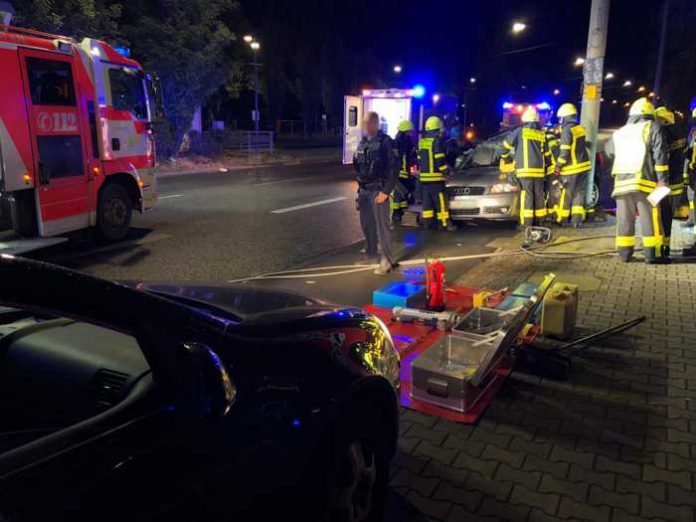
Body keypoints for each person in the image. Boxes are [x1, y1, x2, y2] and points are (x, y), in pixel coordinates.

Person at [605, 98, 669, 264]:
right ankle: (651, 255)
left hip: (621, 184)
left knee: (624, 221)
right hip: (644, 182)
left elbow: (609, 152)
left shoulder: (619, 132)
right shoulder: (652, 127)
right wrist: (662, 181)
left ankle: (625, 254)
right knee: (650, 220)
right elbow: (660, 155)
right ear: (649, 114)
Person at [353, 111, 399, 275]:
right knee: (367, 225)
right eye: (364, 123)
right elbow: (359, 167)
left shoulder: (386, 142)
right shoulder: (363, 143)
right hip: (364, 190)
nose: (365, 126)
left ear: (375, 124)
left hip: (378, 190)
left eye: (368, 123)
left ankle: (386, 260)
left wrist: (386, 191)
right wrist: (359, 191)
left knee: (382, 227)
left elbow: (394, 169)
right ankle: (371, 255)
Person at [500, 106, 553, 230]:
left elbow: (505, 146)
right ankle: (540, 221)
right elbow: (547, 154)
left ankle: (527, 224)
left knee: (527, 195)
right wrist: (549, 169)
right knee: (539, 195)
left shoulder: (520, 131)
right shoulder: (541, 134)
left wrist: (506, 158)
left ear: (524, 119)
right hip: (539, 171)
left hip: (525, 170)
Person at [655, 106, 687, 260]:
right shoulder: (681, 136)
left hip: (663, 184)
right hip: (677, 185)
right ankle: (666, 247)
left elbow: (660, 159)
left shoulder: (662, 135)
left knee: (659, 217)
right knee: (668, 219)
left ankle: (659, 248)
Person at [554, 103, 592, 227]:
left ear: (565, 117)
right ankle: (577, 221)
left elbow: (565, 151)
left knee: (566, 194)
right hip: (584, 166)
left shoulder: (566, 129)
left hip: (571, 168)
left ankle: (562, 219)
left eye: (561, 118)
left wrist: (558, 165)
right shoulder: (579, 127)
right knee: (579, 194)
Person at [418, 116, 457, 231]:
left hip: (424, 179)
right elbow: (440, 159)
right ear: (437, 129)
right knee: (441, 202)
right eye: (440, 129)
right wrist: (447, 172)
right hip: (436, 179)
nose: (442, 131)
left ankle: (428, 224)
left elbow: (419, 159)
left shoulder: (422, 142)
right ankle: (445, 223)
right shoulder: (437, 141)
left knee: (427, 204)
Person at [391, 120, 418, 224]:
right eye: (409, 132)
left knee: (399, 195)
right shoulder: (407, 143)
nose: (411, 134)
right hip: (403, 173)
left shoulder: (395, 142)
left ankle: (398, 213)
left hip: (396, 173)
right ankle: (397, 213)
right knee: (402, 193)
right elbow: (410, 158)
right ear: (406, 131)